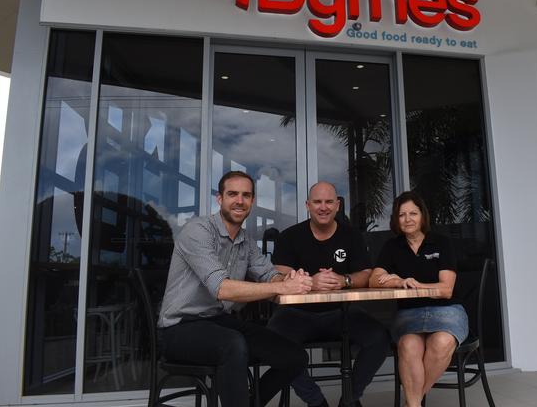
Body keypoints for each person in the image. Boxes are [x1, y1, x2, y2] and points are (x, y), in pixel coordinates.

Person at [157, 171, 313, 407]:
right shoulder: (197, 230)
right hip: (178, 328)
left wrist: (290, 278)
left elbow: (269, 274)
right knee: (233, 344)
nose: (239, 200)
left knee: (294, 356)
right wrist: (283, 286)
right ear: (219, 199)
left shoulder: (246, 241)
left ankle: (251, 403)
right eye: (232, 194)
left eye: (246, 195)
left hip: (216, 321)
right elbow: (222, 288)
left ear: (252, 201)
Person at [268, 182, 390, 407]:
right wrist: (311, 282)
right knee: (273, 344)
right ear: (307, 205)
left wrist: (345, 280)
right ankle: (316, 402)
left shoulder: (351, 236)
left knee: (379, 339)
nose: (323, 207)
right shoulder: (290, 237)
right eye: (317, 202)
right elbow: (278, 274)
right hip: (295, 314)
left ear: (337, 205)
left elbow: (366, 273)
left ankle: (350, 399)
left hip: (341, 312)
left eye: (328, 202)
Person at [369, 191, 468, 407]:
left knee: (441, 342)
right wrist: (397, 281)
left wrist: (415, 284)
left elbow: (446, 290)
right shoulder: (391, 247)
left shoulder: (441, 243)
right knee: (408, 345)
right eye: (402, 214)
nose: (408, 219)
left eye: (413, 213)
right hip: (410, 315)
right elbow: (374, 280)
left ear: (423, 215)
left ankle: (410, 404)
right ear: (396, 219)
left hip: (447, 311)